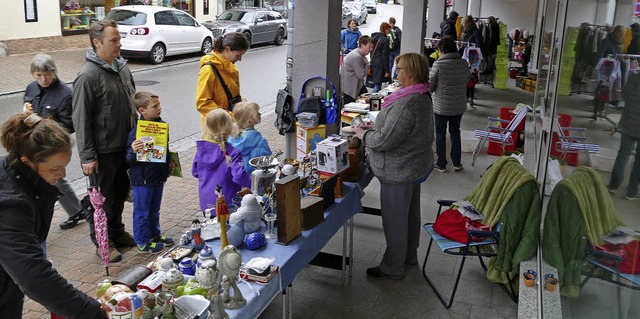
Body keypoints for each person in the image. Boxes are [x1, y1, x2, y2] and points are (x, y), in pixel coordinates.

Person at [0, 113, 107, 318]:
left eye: (64, 166)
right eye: (55, 168)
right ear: (28, 162)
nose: (63, 175)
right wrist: (92, 313)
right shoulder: (10, 204)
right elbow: (33, 275)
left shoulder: (23, 177)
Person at [353, 53, 434, 280]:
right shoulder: (421, 94)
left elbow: (383, 141)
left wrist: (364, 133)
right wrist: (378, 126)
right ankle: (409, 256)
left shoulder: (409, 102)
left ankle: (392, 267)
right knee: (409, 216)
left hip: (399, 170)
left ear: (410, 72)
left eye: (399, 69)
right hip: (413, 166)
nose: (396, 72)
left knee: (395, 221)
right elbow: (397, 130)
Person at [72, 19, 137, 263]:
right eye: (114, 40)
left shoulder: (122, 67)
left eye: (119, 39)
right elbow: (81, 120)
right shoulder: (87, 76)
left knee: (119, 194)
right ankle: (102, 242)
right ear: (97, 43)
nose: (119, 44)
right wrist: (87, 157)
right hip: (103, 152)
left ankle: (117, 233)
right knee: (102, 201)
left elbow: (132, 103)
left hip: (125, 145)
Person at [23, 53, 87, 230]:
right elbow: (26, 110)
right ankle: (76, 210)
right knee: (51, 180)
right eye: (39, 75)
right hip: (34, 143)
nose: (43, 79)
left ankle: (42, 218)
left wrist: (42, 124)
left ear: (54, 72)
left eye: (47, 74)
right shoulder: (31, 88)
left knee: (53, 179)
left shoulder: (64, 94)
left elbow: (69, 124)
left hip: (54, 145)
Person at [125, 91, 175, 253]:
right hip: (142, 179)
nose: (159, 108)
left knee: (154, 209)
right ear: (142, 110)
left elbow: (164, 151)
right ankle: (142, 240)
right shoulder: (136, 133)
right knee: (142, 212)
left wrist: (169, 166)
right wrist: (133, 151)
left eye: (159, 105)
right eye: (155, 106)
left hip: (158, 177)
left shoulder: (161, 126)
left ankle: (155, 234)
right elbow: (127, 160)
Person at [193, 109, 251, 214]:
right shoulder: (232, 152)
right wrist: (253, 184)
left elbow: (195, 172)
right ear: (229, 127)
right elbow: (239, 176)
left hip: (206, 203)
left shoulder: (201, 150)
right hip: (228, 202)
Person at [429, 36, 470, 173]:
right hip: (458, 105)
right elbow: (467, 80)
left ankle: (441, 164)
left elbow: (430, 86)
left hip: (441, 106)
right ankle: (457, 163)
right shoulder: (463, 63)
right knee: (455, 132)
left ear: (442, 49)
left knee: (440, 134)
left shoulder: (438, 65)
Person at [196, 32, 249, 123]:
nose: (240, 59)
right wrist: (229, 116)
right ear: (227, 49)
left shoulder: (231, 67)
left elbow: (232, 95)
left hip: (230, 123)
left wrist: (242, 103)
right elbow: (202, 103)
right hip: (216, 126)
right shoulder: (208, 70)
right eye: (238, 55)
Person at [608, 72, 640, 200]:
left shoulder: (633, 78)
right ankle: (631, 191)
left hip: (627, 123)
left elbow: (625, 96)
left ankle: (613, 185)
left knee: (623, 155)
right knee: (639, 161)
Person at [227, 101, 272, 174]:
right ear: (249, 121)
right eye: (257, 114)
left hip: (235, 176)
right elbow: (266, 162)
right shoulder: (260, 141)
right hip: (253, 178)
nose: (260, 114)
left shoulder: (232, 137)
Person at [342, 35, 373, 104]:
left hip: (351, 87)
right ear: (362, 46)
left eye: (371, 47)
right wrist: (367, 64)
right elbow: (361, 75)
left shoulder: (357, 53)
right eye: (369, 47)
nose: (370, 49)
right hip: (350, 90)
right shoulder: (357, 57)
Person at [370, 22, 392, 93]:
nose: (389, 31)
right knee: (378, 84)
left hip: (374, 62)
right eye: (388, 29)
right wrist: (387, 71)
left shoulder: (374, 37)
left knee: (376, 83)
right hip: (380, 64)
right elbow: (385, 56)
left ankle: (373, 99)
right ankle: (372, 100)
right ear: (385, 29)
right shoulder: (385, 40)